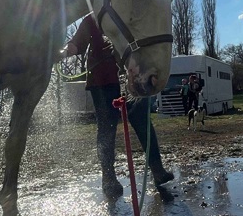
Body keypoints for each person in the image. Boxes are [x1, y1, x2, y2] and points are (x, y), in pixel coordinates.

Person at [65, 14, 174, 198]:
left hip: (134, 77)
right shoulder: (93, 19)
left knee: (143, 123)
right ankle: (108, 178)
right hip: (102, 80)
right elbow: (77, 43)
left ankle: (157, 170)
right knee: (106, 130)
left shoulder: (130, 12)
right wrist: (65, 50)